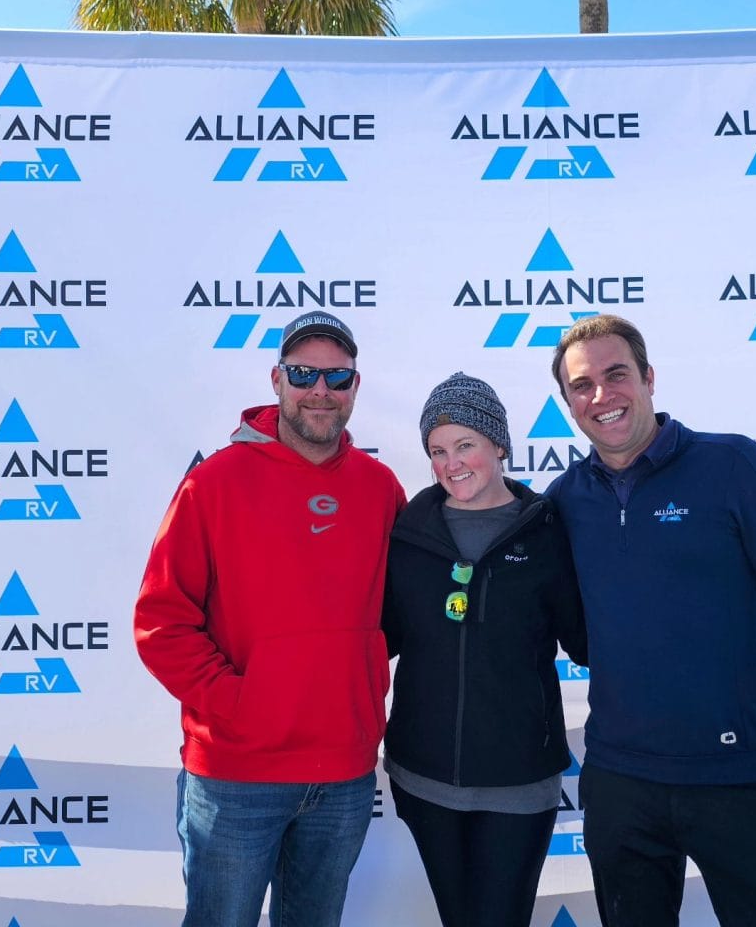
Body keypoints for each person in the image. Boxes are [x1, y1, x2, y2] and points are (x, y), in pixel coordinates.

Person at [545, 314, 756, 927]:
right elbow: (576, 631)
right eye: (582, 386)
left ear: (649, 379)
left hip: (735, 775)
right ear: (568, 402)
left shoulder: (730, 466)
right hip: (619, 783)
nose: (601, 396)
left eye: (617, 376)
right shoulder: (564, 500)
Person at [134, 311, 405, 927]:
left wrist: (352, 688)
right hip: (236, 775)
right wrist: (241, 702)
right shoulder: (213, 485)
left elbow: (395, 614)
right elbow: (161, 621)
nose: (320, 391)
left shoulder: (380, 486)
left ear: (355, 388)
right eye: (304, 374)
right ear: (277, 380)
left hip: (344, 773)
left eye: (337, 379)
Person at [381, 372, 588, 927]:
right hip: (423, 777)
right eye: (437, 451)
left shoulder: (547, 528)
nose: (452, 464)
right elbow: (378, 637)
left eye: (465, 444)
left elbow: (589, 641)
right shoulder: (408, 531)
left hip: (518, 780)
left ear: (499, 444)